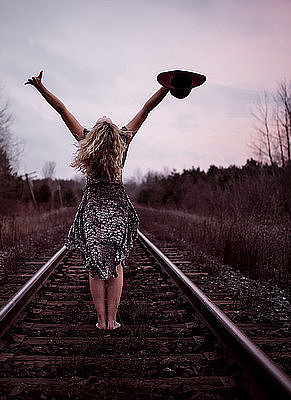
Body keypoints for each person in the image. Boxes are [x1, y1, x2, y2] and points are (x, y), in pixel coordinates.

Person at [25, 71, 169, 330]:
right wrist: (167, 88)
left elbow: (62, 110)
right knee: (116, 263)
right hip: (116, 211)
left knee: (95, 265)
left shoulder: (86, 139)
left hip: (93, 211)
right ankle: (112, 320)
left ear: (97, 133)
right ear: (112, 130)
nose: (105, 116)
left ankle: (101, 320)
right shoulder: (122, 141)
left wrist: (41, 89)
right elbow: (146, 109)